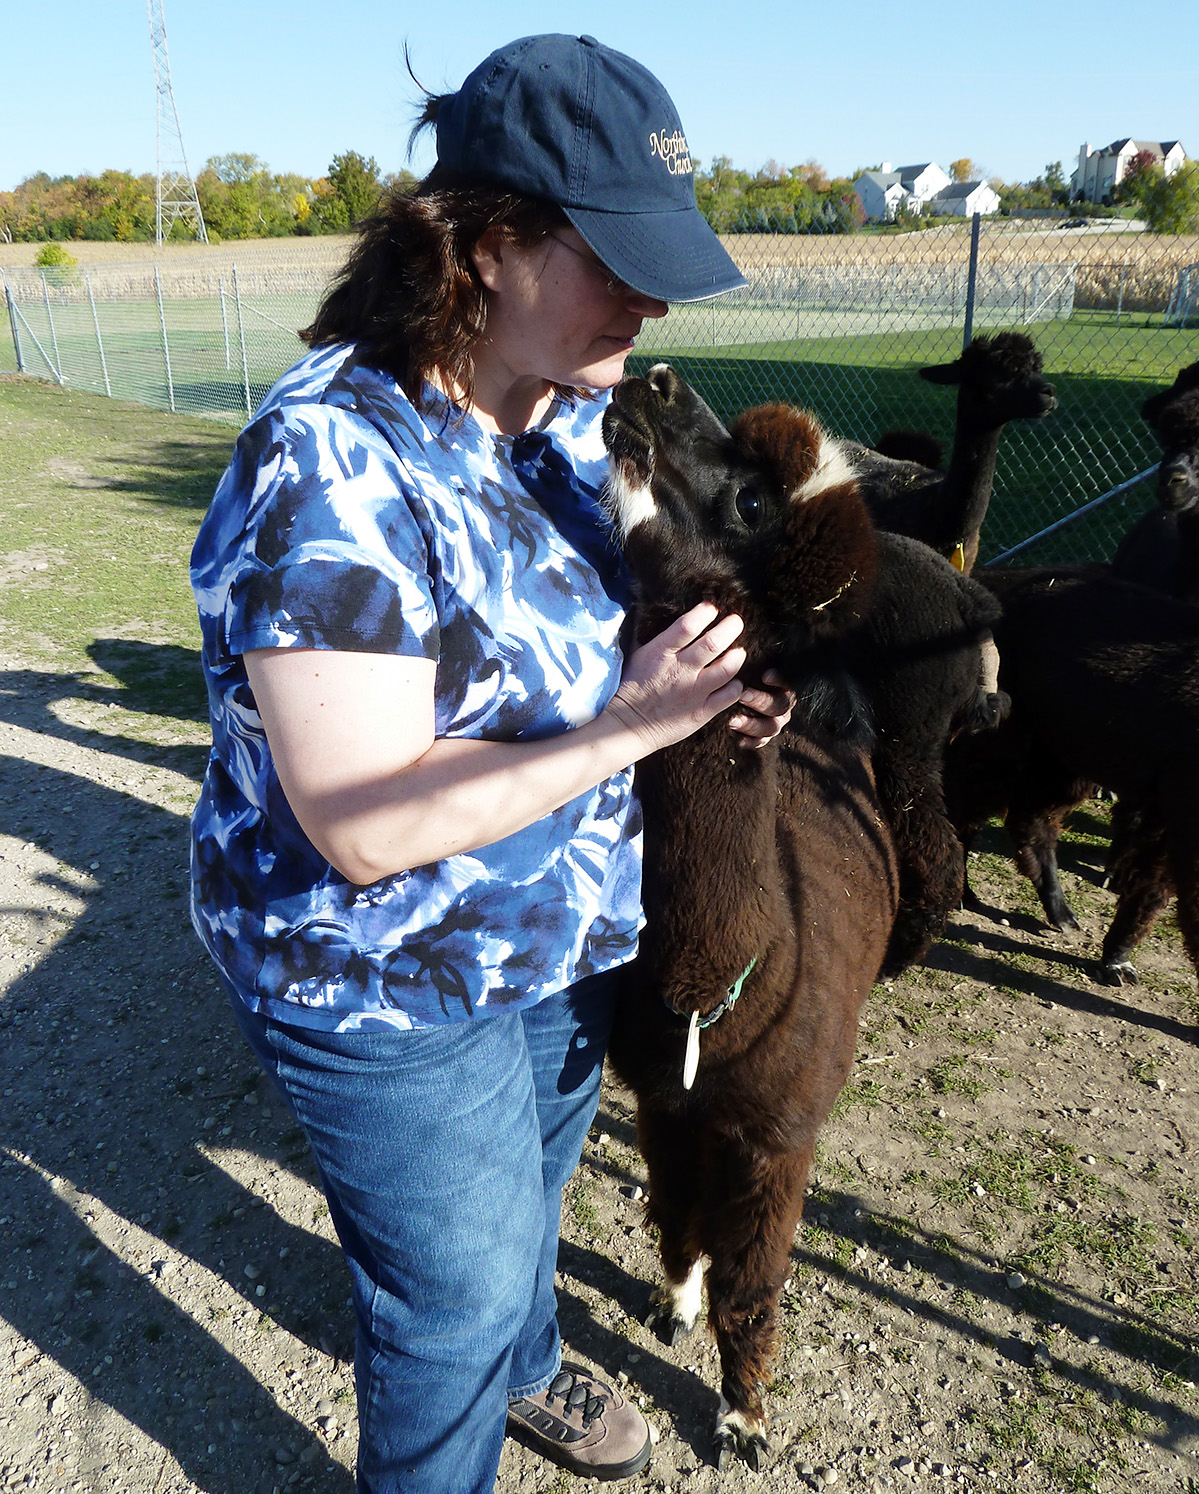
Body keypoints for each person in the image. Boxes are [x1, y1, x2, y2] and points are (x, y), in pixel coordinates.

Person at [189, 33, 791, 1493]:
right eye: (618, 259)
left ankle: (526, 1367)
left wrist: (704, 705)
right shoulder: (330, 465)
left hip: (554, 927)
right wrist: (628, 726)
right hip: (384, 972)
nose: (651, 300)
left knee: (523, 1199)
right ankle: (472, 1388)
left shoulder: (572, 418)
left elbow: (598, 658)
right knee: (448, 1295)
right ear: (484, 241)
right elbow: (362, 822)